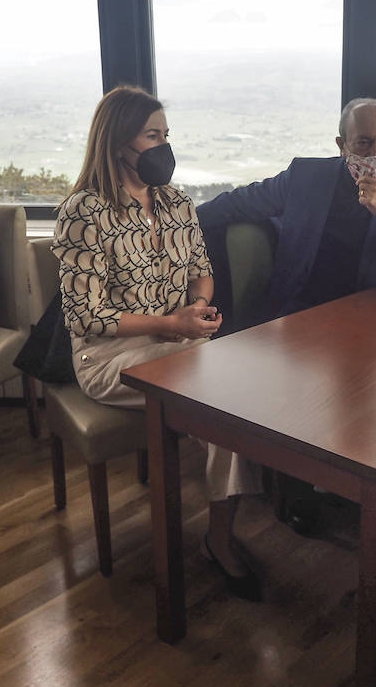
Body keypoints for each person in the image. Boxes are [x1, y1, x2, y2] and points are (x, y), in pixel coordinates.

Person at [53, 85, 264, 600]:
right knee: (219, 395)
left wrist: (196, 306)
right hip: (109, 356)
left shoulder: (175, 203)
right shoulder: (85, 212)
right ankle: (218, 537)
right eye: (153, 136)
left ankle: (219, 533)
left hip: (178, 342)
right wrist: (174, 325)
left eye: (166, 135)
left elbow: (202, 271)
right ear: (118, 141)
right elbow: (89, 316)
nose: (163, 146)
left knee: (229, 393)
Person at [195, 97, 376, 322]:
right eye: (364, 142)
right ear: (343, 145)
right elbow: (241, 203)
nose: (375, 154)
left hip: (368, 316)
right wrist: (181, 221)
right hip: (298, 311)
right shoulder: (305, 176)